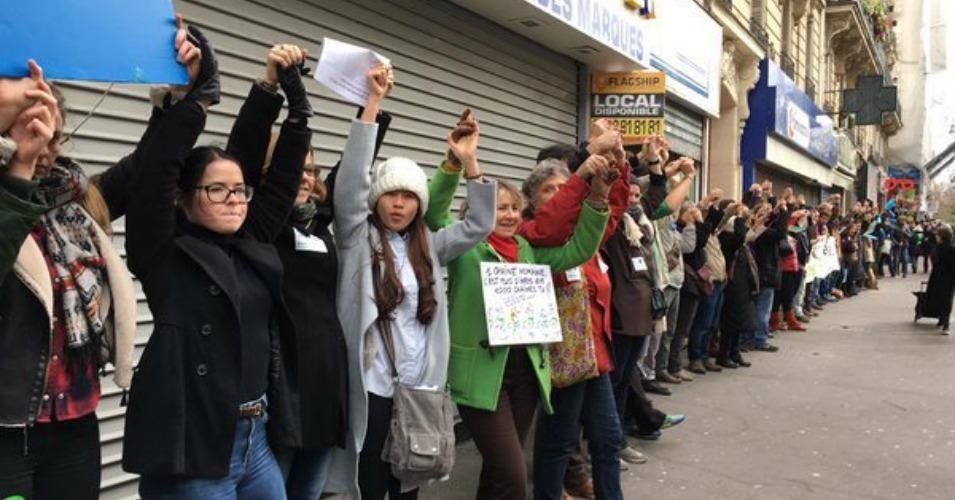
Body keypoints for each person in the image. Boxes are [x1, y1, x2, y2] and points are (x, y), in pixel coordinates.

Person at [121, 27, 302, 498]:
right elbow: (157, 169)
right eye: (216, 190)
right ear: (183, 199)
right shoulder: (163, 252)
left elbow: (278, 181)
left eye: (239, 189)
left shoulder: (250, 242)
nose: (233, 199)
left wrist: (287, 100)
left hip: (256, 438)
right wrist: (198, 98)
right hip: (196, 450)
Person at [326, 67, 497, 500]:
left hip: (418, 385)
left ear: (419, 204)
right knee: (369, 485)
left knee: (409, 483)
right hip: (372, 386)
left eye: (408, 197)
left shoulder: (430, 246)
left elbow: (480, 223)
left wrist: (468, 159)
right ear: (376, 199)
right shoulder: (355, 239)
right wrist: (372, 104)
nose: (398, 204)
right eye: (390, 194)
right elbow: (349, 184)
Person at [431, 142, 610, 499]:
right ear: (480, 212)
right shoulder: (464, 249)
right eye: (499, 209)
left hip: (525, 371)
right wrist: (457, 164)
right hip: (482, 375)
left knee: (497, 474)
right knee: (513, 476)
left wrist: (598, 200)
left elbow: (579, 250)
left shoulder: (529, 250)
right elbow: (435, 213)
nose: (510, 215)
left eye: (514, 208)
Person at [0, 61, 136, 500]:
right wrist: (18, 169)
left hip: (74, 421)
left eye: (48, 132)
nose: (40, 145)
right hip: (6, 432)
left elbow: (154, 161)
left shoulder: (75, 203)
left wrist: (187, 92)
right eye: (26, 128)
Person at [222, 44, 348, 499]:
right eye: (291, 168)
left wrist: (370, 107)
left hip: (323, 386)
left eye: (310, 169)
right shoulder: (259, 229)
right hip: (280, 388)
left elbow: (351, 176)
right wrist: (270, 85)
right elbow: (244, 155)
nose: (302, 176)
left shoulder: (322, 225)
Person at [924, 225, 955, 334]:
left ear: (942, 236)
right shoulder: (939, 246)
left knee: (945, 300)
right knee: (942, 299)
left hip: (946, 277)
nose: (936, 236)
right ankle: (942, 320)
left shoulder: (949, 248)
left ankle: (945, 323)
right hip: (941, 277)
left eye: (938, 234)